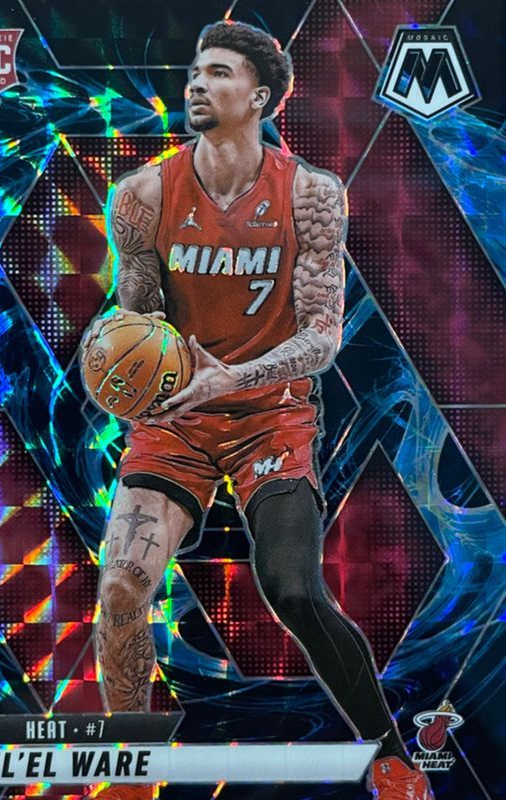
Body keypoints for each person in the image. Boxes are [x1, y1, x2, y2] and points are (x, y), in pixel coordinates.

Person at [81, 21, 434, 800]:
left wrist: (231, 377)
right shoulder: (142, 196)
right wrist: (112, 356)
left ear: (261, 96)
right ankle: (131, 772)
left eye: (218, 73)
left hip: (270, 416)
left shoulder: (310, 195)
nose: (196, 84)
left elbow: (322, 335)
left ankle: (390, 755)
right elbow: (135, 316)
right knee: (121, 588)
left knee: (293, 590)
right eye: (194, 72)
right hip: (176, 421)